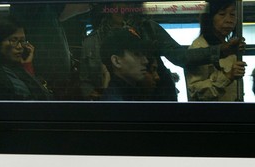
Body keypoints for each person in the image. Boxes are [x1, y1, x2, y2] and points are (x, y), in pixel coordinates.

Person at [80, 2, 246, 101]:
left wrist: (221, 51)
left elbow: (181, 57)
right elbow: (85, 80)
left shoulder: (148, 29)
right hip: (114, 106)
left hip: (154, 103)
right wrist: (92, 95)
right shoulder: (91, 41)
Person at [185, 0, 247, 101]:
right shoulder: (199, 48)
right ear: (209, 18)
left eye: (233, 14)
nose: (229, 20)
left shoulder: (229, 46)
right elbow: (196, 93)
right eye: (222, 14)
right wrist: (228, 76)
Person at [0, 15, 53, 100]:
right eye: (13, 40)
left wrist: (27, 66)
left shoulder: (16, 68)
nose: (20, 46)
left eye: (22, 41)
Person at [99, 28, 150, 101]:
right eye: (137, 54)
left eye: (144, 54)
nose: (146, 61)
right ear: (116, 61)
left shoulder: (125, 96)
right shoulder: (115, 103)